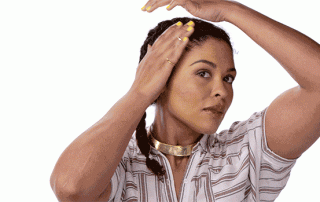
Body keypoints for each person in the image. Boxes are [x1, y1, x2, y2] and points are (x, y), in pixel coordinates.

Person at [50, 0, 320, 201]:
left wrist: (229, 11)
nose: (222, 92)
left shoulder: (247, 152)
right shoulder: (118, 163)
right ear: (161, 78)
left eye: (228, 78)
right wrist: (140, 92)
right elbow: (71, 187)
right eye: (203, 73)